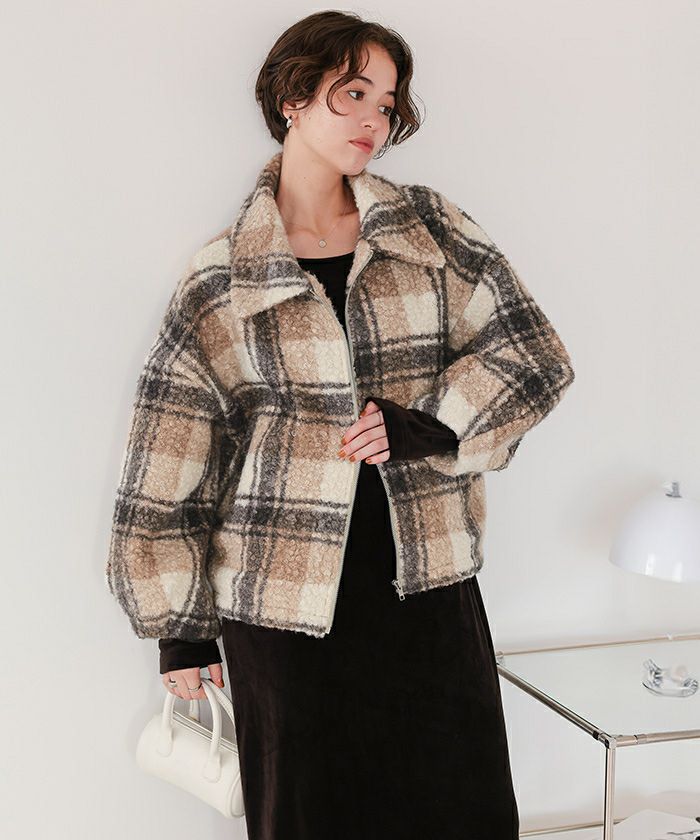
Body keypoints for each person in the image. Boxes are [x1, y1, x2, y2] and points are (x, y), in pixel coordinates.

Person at [106, 10, 575, 839]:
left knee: (460, 810)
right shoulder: (224, 277)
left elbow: (532, 354)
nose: (373, 120)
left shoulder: (429, 232)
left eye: (386, 104)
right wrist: (180, 632)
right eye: (352, 93)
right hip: (281, 612)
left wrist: (432, 424)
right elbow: (171, 451)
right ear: (292, 97)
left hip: (427, 584)